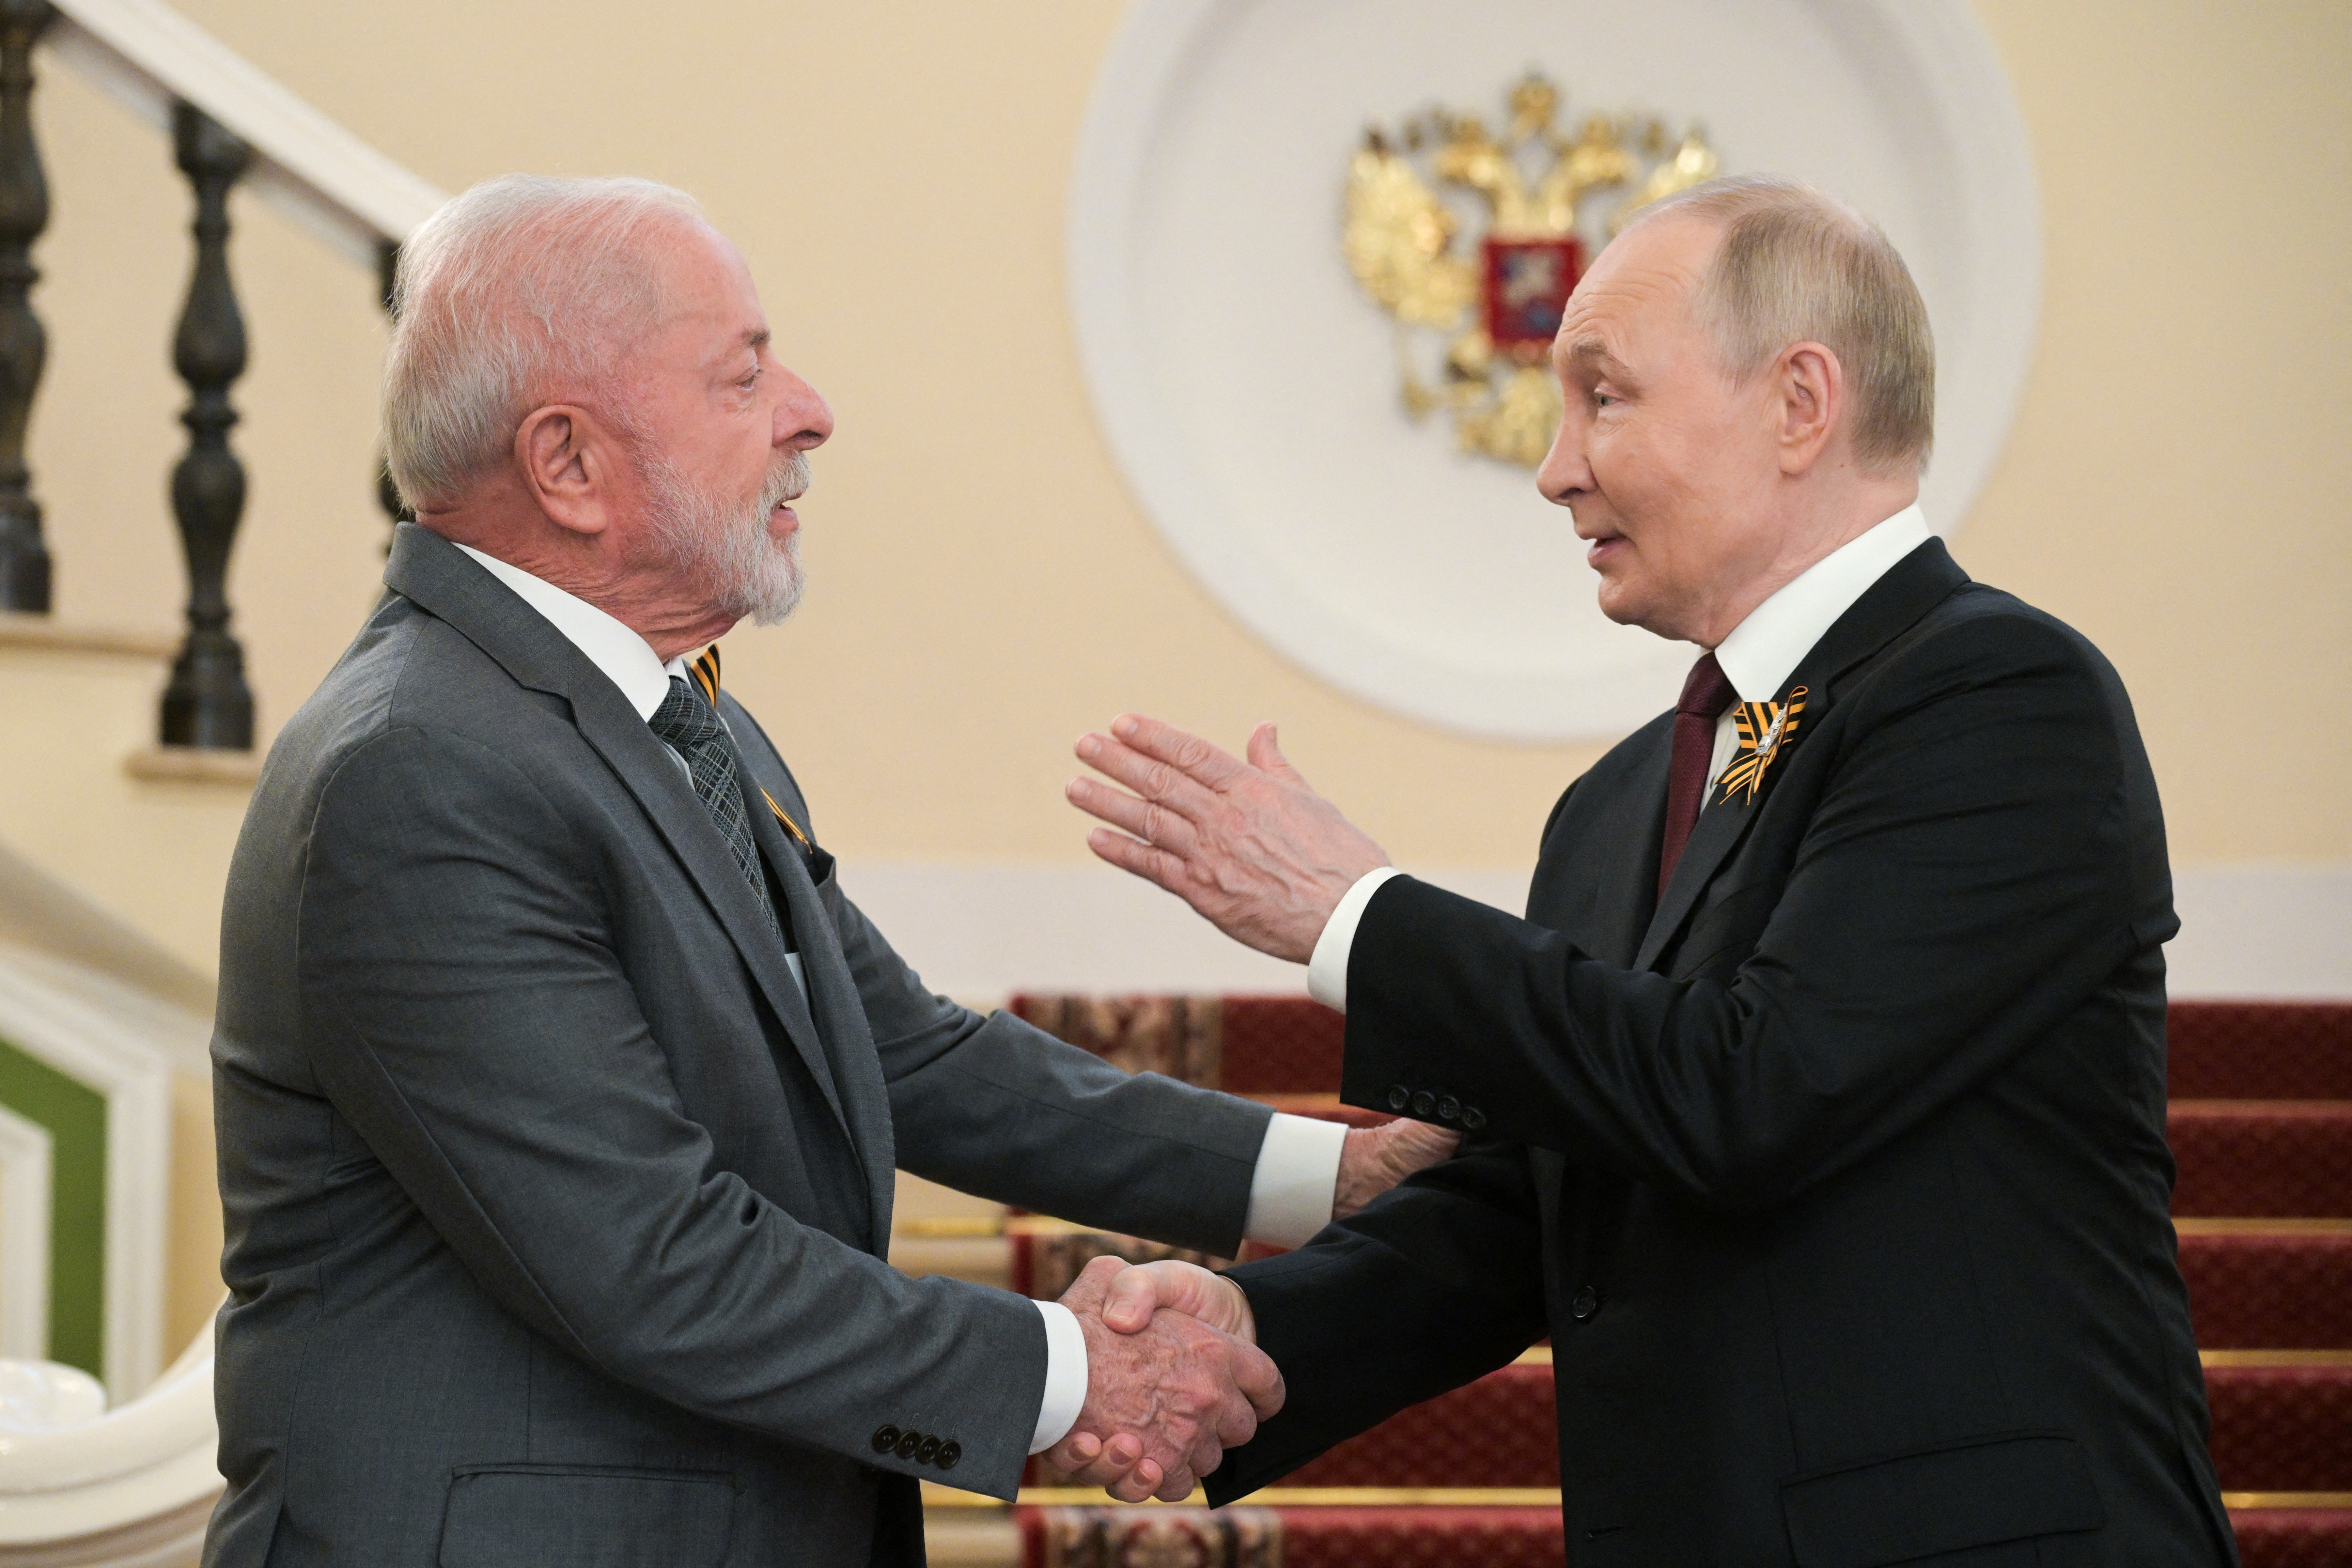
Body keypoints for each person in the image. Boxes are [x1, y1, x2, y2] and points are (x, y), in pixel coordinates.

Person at [203, 174, 1455, 1568]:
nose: (810, 409)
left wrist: (1334, 1176)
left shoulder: (683, 718)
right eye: (743, 376)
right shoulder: (417, 772)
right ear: (567, 465)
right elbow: (654, 1256)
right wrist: (1073, 1371)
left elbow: (902, 1054)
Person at [1055, 176, 2239, 1563]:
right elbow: (1533, 1200)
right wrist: (1248, 1333)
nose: (1555, 466)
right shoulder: (1613, 803)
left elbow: (1752, 1089)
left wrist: (1355, 916)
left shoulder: (1998, 695)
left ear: (1800, 403)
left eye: (1601, 398)